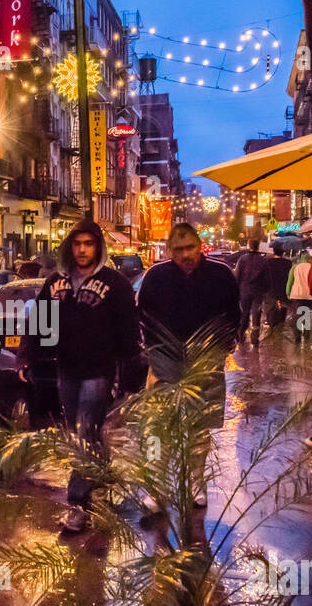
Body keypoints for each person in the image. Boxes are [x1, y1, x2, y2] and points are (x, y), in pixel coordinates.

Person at [18, 219, 141, 534]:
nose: (82, 249)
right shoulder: (55, 282)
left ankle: (77, 505)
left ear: (98, 247)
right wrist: (27, 356)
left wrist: (128, 375)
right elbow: (39, 321)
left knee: (82, 432)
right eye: (77, 243)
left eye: (88, 243)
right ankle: (100, 470)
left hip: (99, 372)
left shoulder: (116, 283)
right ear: (69, 246)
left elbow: (129, 331)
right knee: (81, 431)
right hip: (67, 370)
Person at [137, 222, 241, 384]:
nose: (185, 254)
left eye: (190, 247)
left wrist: (225, 345)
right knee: (170, 406)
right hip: (166, 361)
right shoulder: (155, 277)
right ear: (170, 251)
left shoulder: (221, 274)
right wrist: (153, 351)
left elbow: (234, 313)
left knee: (207, 405)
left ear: (199, 246)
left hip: (209, 359)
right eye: (179, 249)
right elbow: (143, 315)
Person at [233, 239, 268, 347]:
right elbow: (267, 279)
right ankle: (254, 339)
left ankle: (241, 336)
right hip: (258, 292)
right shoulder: (263, 260)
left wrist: (237, 290)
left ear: (249, 246)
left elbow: (237, 276)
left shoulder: (242, 259)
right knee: (256, 314)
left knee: (244, 313)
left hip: (244, 291)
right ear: (258, 246)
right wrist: (265, 291)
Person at [287, 249, 312, 348]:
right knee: (306, 315)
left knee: (297, 316)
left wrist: (288, 294)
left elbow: (290, 282)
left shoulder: (295, 267)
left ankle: (297, 336)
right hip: (308, 295)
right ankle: (306, 336)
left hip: (297, 295)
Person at [264, 242, 292, 330]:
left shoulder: (268, 262)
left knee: (270, 306)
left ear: (274, 251)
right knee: (284, 305)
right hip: (283, 288)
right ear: (283, 252)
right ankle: (281, 322)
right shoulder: (288, 262)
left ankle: (271, 323)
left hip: (271, 289)